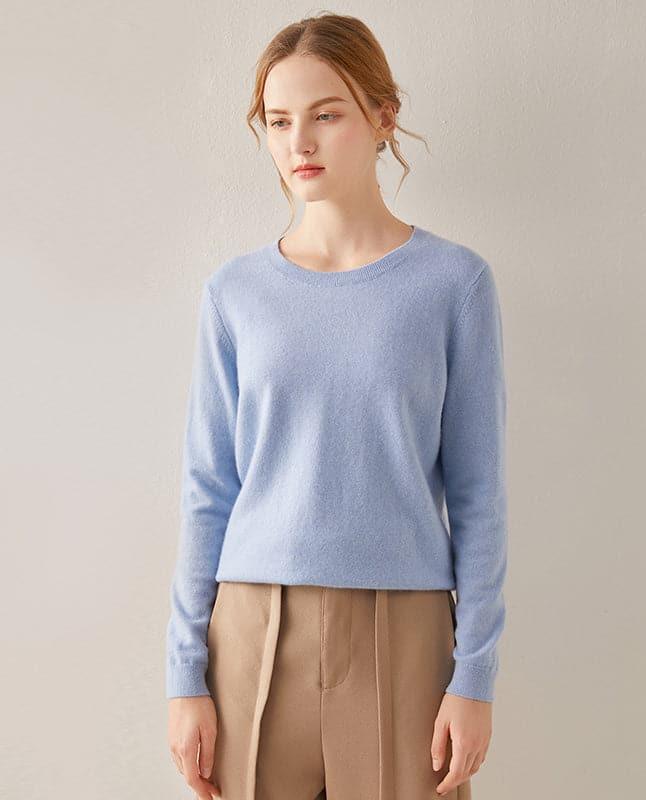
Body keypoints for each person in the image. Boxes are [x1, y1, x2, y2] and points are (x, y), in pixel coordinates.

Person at [165, 13, 507, 800]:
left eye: (326, 114)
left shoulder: (454, 285)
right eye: (279, 121)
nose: (300, 143)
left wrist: (475, 676)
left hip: (407, 630)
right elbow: (208, 488)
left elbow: (479, 495)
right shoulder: (234, 294)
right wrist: (185, 675)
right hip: (251, 628)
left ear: (384, 116)